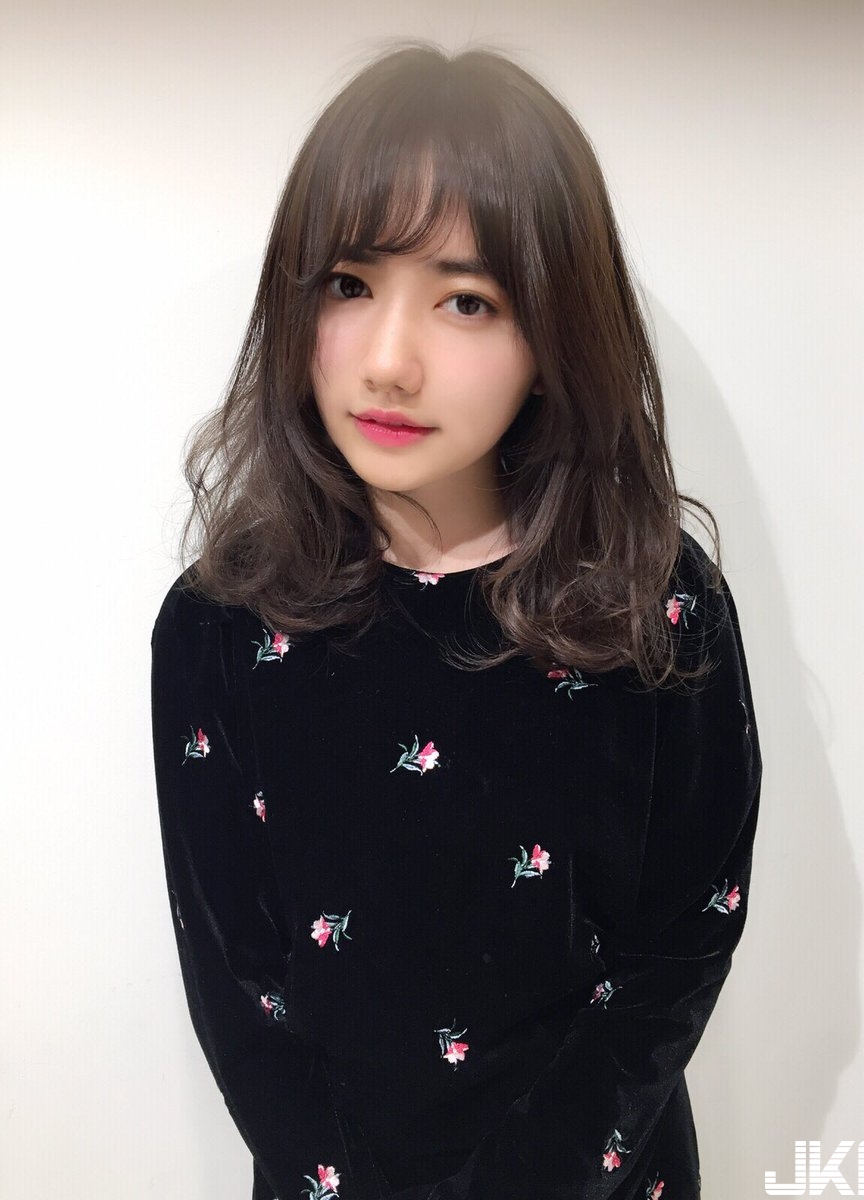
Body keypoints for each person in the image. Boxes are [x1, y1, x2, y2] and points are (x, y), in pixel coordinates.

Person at [150, 39, 762, 1200]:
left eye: (467, 300)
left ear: (555, 335)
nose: (389, 361)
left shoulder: (653, 600)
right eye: (349, 284)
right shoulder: (221, 624)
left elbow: (679, 944)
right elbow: (240, 992)